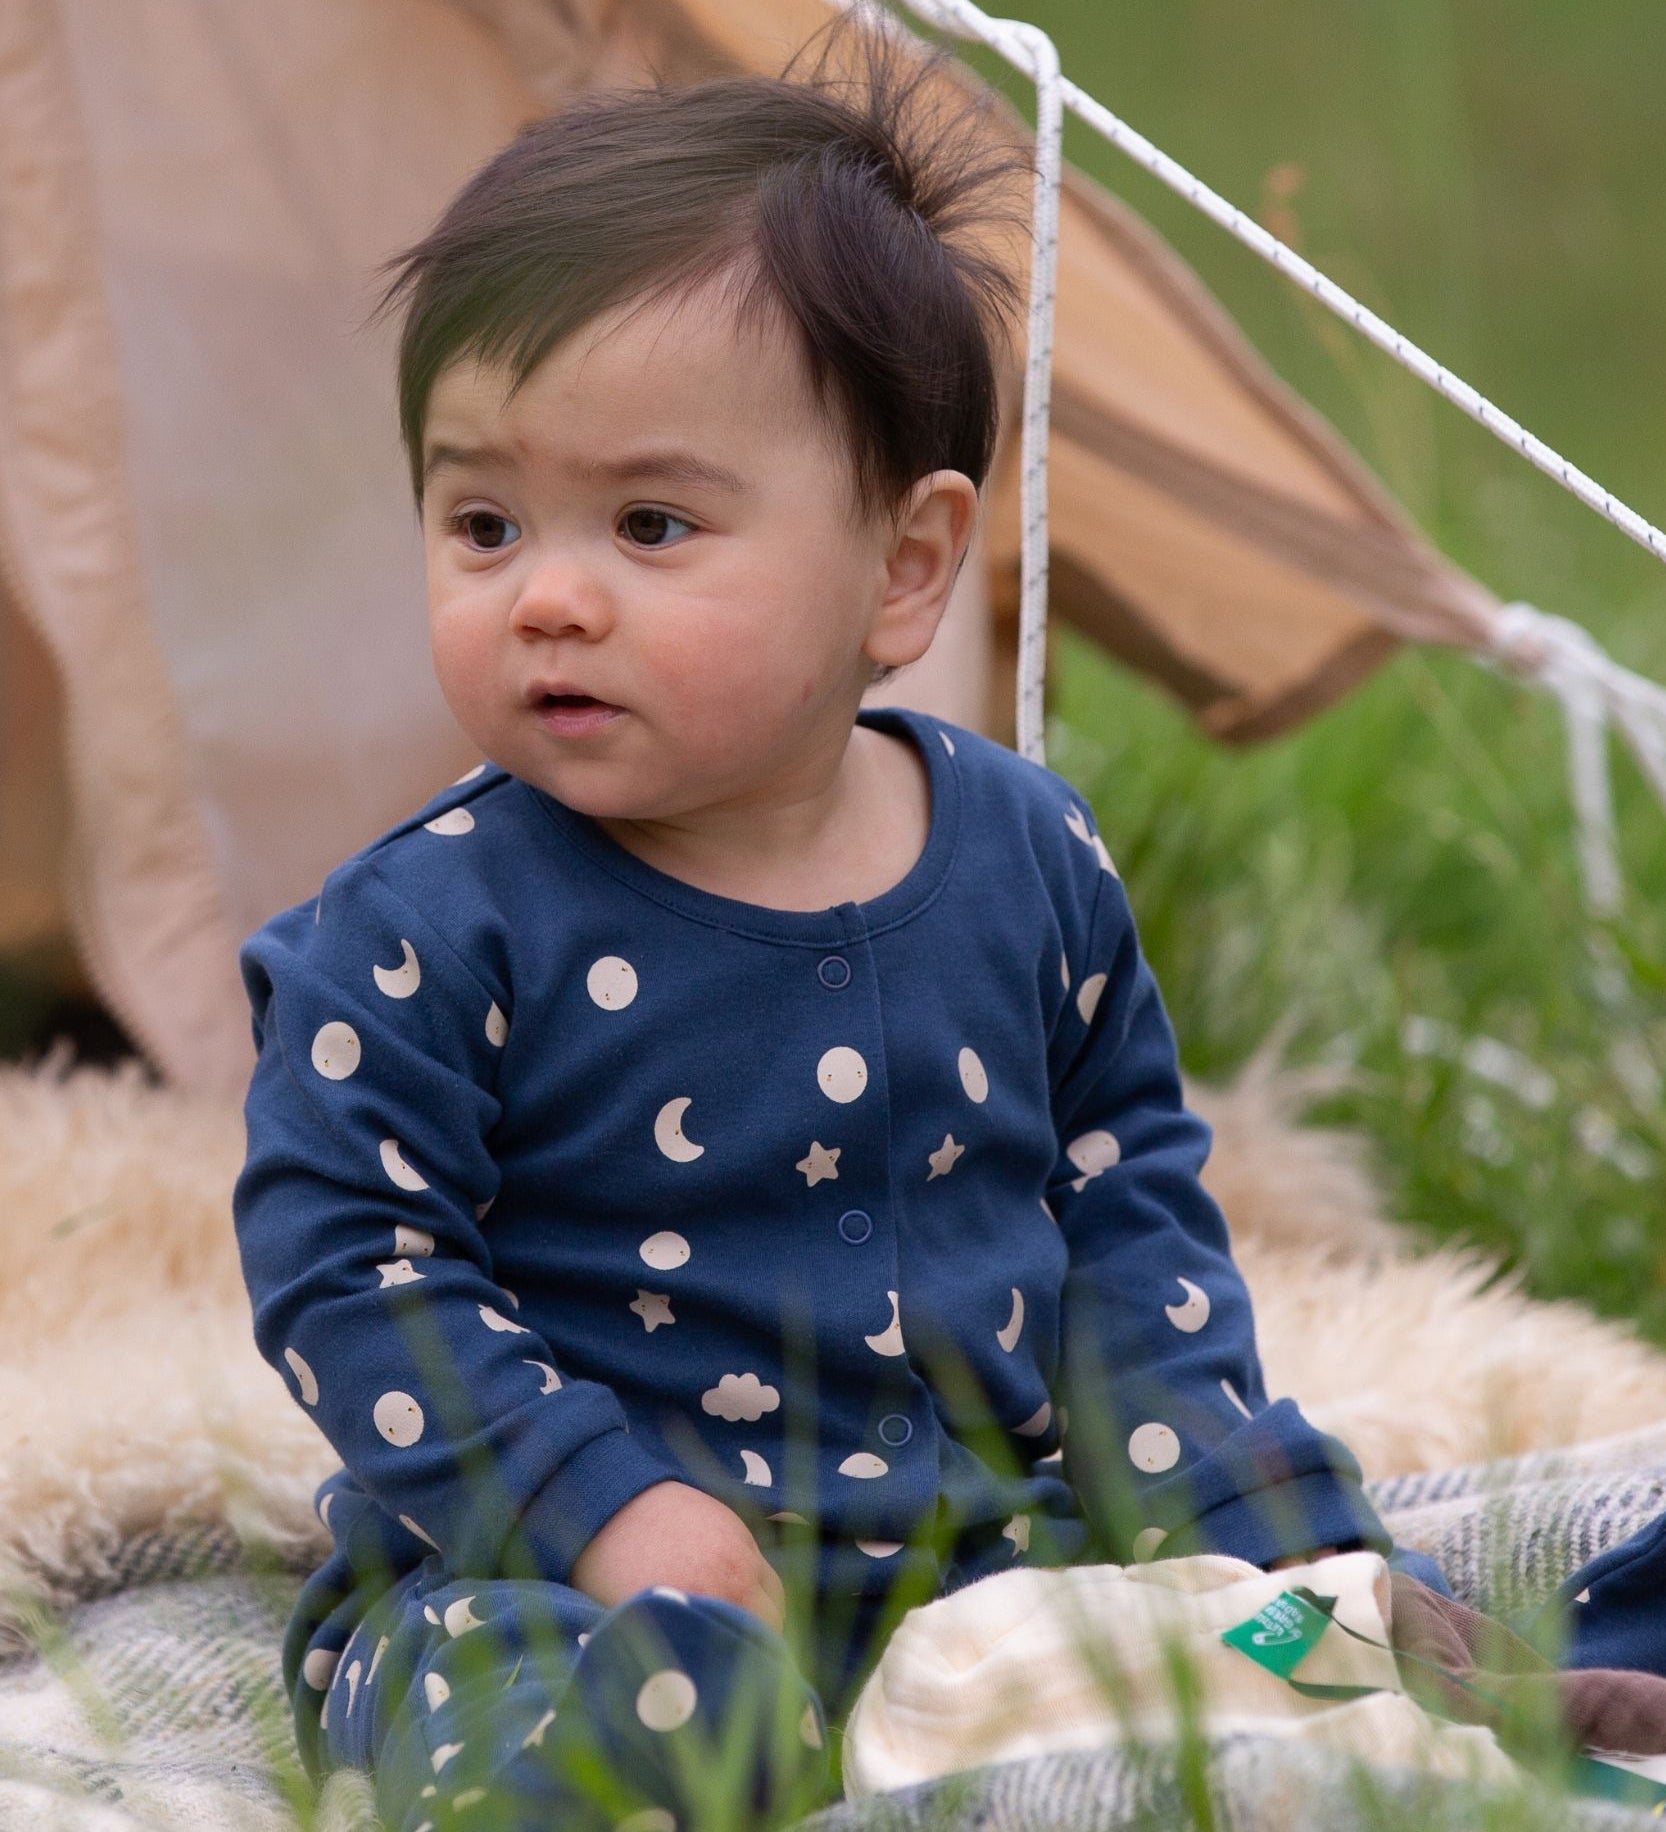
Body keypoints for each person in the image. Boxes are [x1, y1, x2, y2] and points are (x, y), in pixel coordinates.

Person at [231, 30, 1443, 1832]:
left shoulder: (1025, 856)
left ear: (902, 564)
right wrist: (594, 1505)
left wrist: (1215, 1516)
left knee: (1290, 1634)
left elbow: (1120, 1216)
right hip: (554, 1572)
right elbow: (351, 1272)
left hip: (957, 1554)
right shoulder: (419, 928)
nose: (546, 595)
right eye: (481, 518)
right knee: (547, 1701)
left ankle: (1434, 1669)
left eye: (649, 523)